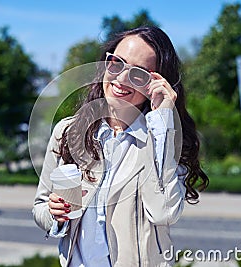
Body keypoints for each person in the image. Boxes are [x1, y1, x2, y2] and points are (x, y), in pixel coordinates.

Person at [32, 26, 209, 267]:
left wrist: (164, 122)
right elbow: (41, 208)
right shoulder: (68, 132)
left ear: (157, 83)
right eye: (116, 63)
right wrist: (55, 214)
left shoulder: (165, 138)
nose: (121, 78)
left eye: (138, 74)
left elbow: (164, 212)